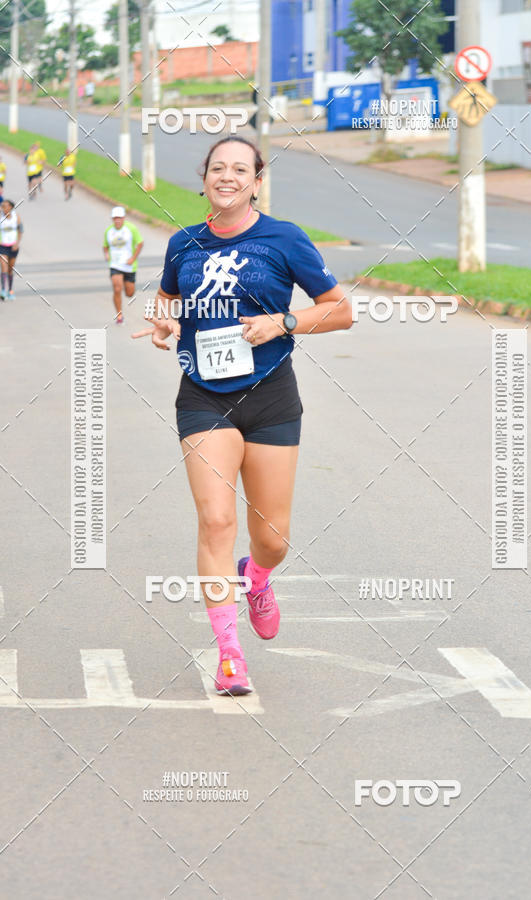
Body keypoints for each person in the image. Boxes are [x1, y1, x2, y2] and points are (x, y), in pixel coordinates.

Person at [133, 136, 352, 695]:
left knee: (273, 538)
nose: (227, 177)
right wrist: (164, 323)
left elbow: (341, 311)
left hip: (271, 395)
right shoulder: (183, 244)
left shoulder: (284, 239)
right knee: (215, 521)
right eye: (217, 168)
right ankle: (229, 655)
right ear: (203, 178)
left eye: (239, 169)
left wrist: (284, 323)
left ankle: (256, 579)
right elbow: (166, 301)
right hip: (203, 397)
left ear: (256, 180)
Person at [102, 206, 143, 324]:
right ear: (112, 219)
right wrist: (106, 254)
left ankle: (126, 284)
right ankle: (119, 315)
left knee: (129, 293)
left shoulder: (131, 229)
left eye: (119, 218)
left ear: (123, 218)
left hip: (129, 265)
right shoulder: (109, 231)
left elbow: (140, 243)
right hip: (115, 264)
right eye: (115, 218)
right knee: (117, 288)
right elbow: (105, 246)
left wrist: (133, 258)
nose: (117, 220)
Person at [0, 199, 23, 300]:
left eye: (5, 206)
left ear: (10, 207)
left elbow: (20, 230)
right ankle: (3, 290)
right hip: (2, 246)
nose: (3, 208)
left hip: (13, 246)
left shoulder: (16, 216)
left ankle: (10, 290)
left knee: (10, 269)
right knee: (4, 268)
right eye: (2, 206)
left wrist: (17, 243)